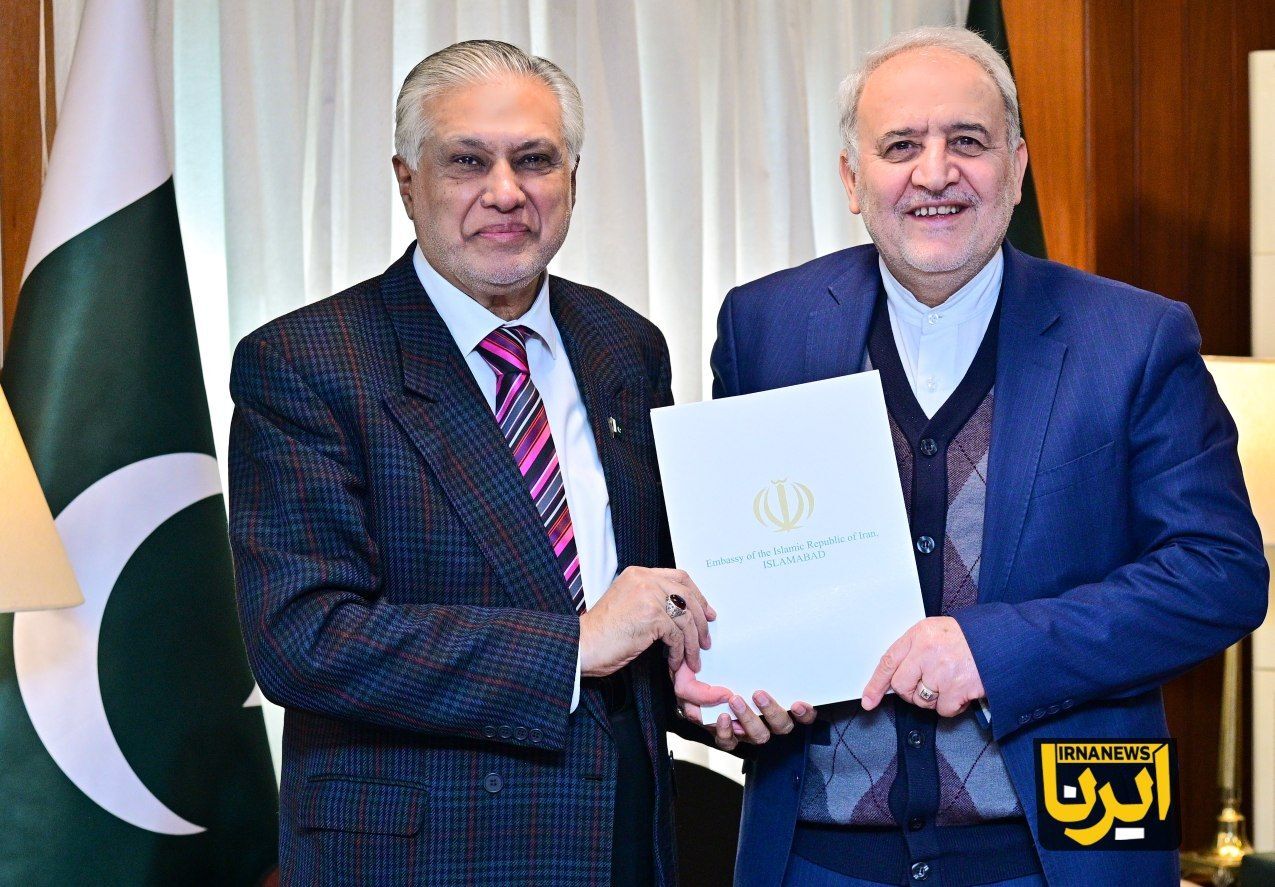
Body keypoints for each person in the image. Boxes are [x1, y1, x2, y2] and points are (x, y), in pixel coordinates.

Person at [686, 25, 1268, 887]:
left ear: (1017, 166)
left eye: (967, 140)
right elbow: (726, 572)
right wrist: (720, 693)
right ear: (851, 179)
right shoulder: (763, 325)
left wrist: (994, 650)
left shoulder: (1134, 336)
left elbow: (1220, 575)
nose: (934, 173)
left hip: (1063, 852)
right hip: (817, 855)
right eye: (899, 146)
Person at [228, 40, 713, 886]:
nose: (505, 191)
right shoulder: (306, 361)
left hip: (621, 841)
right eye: (466, 161)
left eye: (535, 160)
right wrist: (571, 646)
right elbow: (304, 638)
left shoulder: (624, 345)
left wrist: (720, 686)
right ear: (406, 181)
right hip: (427, 855)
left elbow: (647, 598)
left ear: (571, 179)